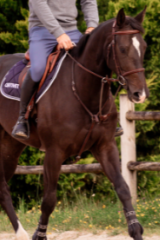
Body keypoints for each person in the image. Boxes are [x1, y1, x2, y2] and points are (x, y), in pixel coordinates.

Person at [12, 0, 99, 139]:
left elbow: (88, 1)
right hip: (42, 30)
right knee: (38, 69)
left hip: (71, 31)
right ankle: (22, 118)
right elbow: (38, 3)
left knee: (94, 65)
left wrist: (92, 25)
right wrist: (59, 34)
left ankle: (103, 115)